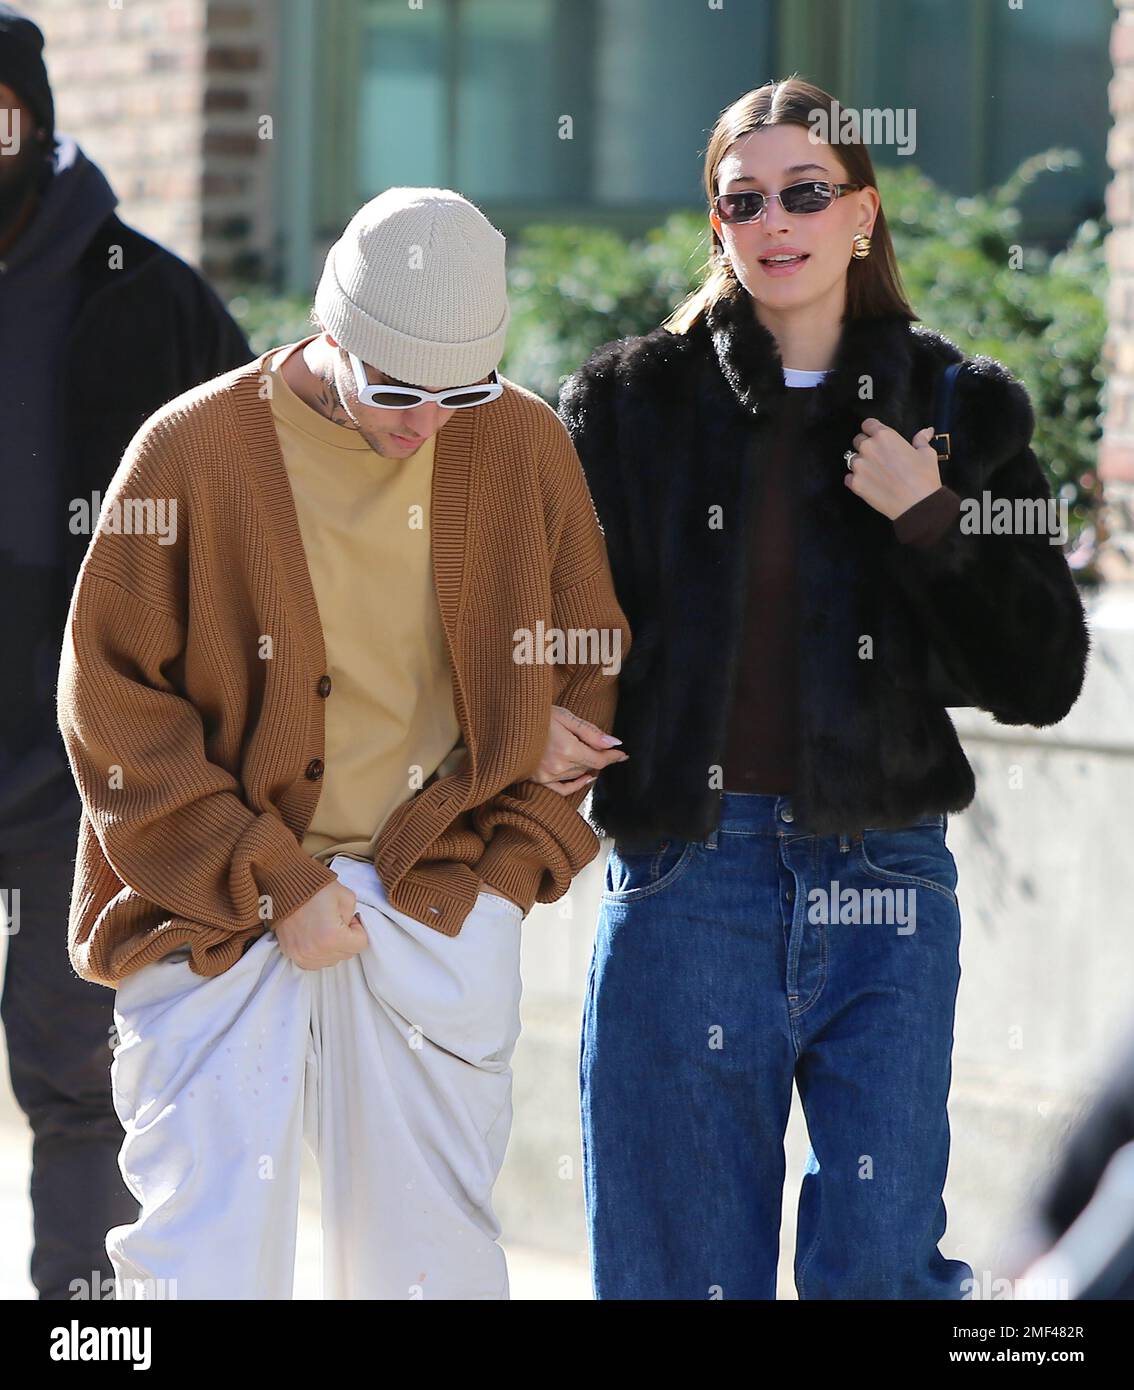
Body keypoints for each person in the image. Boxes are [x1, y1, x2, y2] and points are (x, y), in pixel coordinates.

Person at [557, 77, 1090, 1300]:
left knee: (879, 1273)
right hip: (690, 882)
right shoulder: (631, 406)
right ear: (716, 226)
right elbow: (548, 613)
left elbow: (1044, 673)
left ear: (864, 214)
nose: (774, 221)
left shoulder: (962, 407)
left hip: (887, 883)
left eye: (807, 192)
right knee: (675, 1274)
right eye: (742, 200)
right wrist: (541, 704)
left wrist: (934, 523)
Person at [56, 185, 630, 1300]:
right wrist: (275, 878)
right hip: (216, 908)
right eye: (397, 389)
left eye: (462, 390)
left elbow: (590, 660)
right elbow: (113, 706)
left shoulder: (520, 444)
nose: (425, 423)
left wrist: (508, 873)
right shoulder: (190, 450)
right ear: (332, 334)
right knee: (200, 1265)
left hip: (437, 897)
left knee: (433, 1271)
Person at [0, 2, 250, 1301]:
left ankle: (84, 1329)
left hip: (88, 763)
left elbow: (262, 533)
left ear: (31, 124)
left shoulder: (153, 302)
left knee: (79, 1069)